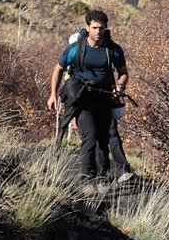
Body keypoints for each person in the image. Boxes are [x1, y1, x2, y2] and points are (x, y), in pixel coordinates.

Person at [47, 10, 129, 191]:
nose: (98, 31)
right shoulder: (75, 48)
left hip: (105, 99)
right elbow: (58, 69)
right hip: (82, 99)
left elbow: (123, 72)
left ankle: (102, 178)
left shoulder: (113, 50)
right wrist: (53, 94)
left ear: (106, 28)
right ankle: (86, 179)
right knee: (89, 137)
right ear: (87, 28)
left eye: (101, 28)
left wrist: (121, 86)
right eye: (94, 28)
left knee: (103, 139)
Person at [66, 28, 134, 184]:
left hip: (98, 99)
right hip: (97, 99)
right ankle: (111, 172)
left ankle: (101, 175)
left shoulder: (80, 55)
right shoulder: (105, 51)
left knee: (98, 136)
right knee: (104, 135)